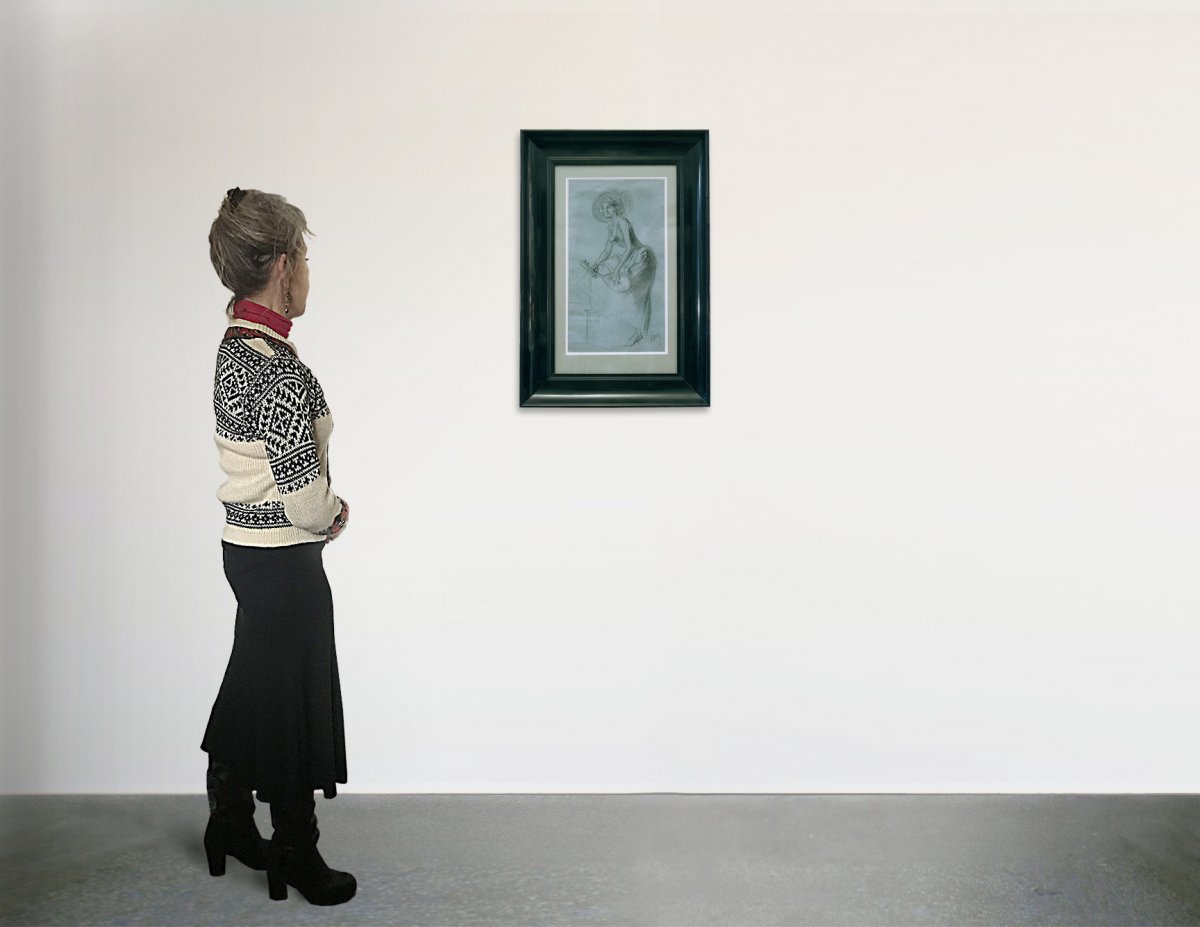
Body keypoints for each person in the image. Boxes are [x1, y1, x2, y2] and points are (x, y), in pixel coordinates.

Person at [200, 187, 356, 906]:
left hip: (242, 550)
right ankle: (296, 847)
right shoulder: (282, 369)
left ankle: (229, 818)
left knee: (253, 680)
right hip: (287, 558)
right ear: (286, 263)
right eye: (308, 259)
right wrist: (334, 511)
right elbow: (303, 497)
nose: (310, 276)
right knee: (293, 700)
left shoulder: (234, 350)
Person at [579, 189, 657, 347]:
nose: (605, 210)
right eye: (603, 208)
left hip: (641, 259)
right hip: (629, 260)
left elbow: (629, 248)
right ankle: (630, 331)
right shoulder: (611, 227)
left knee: (637, 298)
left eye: (608, 207)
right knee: (622, 293)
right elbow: (607, 251)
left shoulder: (623, 223)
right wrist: (593, 265)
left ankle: (639, 332)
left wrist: (616, 270)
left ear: (616, 208)